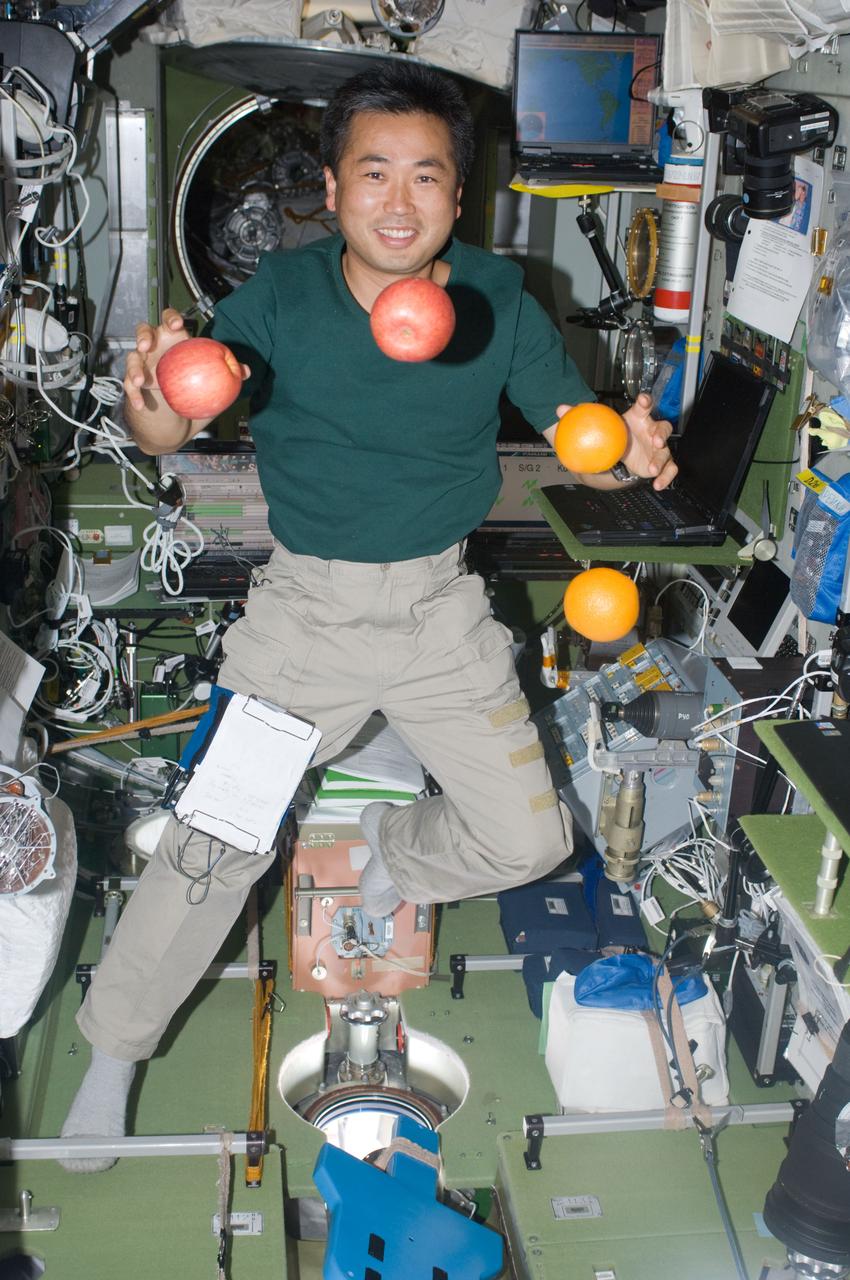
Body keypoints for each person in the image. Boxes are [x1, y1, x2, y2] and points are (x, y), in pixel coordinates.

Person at [60, 58, 676, 1171]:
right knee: (215, 844)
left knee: (530, 836)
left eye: (427, 177)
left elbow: (579, 426)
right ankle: (114, 1048)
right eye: (373, 174)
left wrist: (630, 445)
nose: (400, 201)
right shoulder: (282, 298)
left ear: (459, 196)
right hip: (306, 612)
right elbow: (180, 417)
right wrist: (153, 403)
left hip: (441, 611)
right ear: (333, 193)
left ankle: (397, 849)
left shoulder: (495, 293)